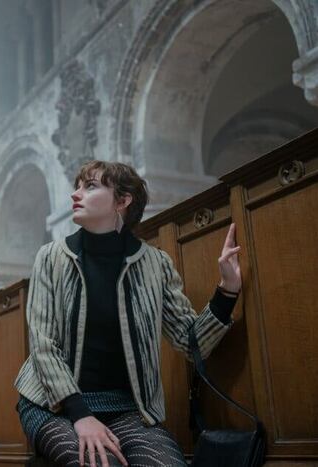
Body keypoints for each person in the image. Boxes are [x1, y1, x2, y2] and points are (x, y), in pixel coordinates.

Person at [13, 160, 241, 467]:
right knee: (102, 463)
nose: (75, 194)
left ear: (122, 201)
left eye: (90, 186)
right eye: (78, 186)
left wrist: (227, 290)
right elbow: (43, 345)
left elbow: (192, 342)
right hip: (52, 404)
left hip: (127, 410)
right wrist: (81, 415)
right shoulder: (51, 257)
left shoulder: (156, 264)